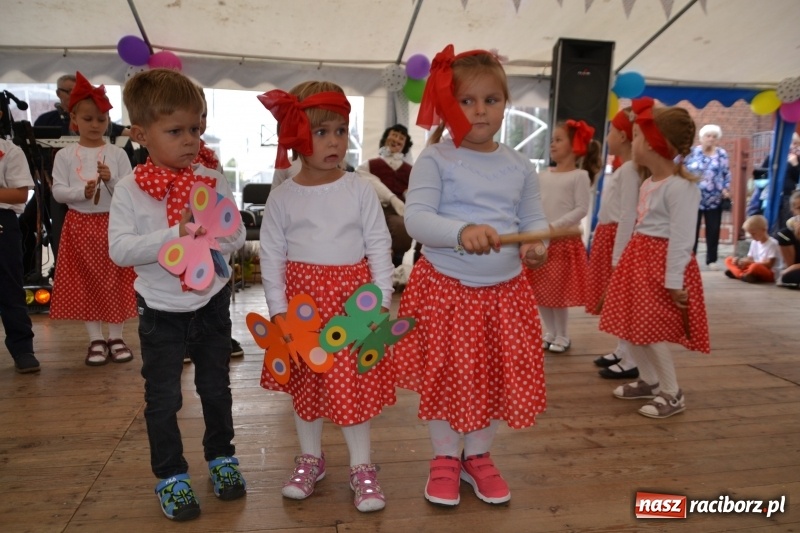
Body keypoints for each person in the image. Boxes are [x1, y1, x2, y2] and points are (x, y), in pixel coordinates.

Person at [393, 45, 548, 507]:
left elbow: (532, 219)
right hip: (447, 292)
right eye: (468, 101)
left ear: (506, 103)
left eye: (492, 100)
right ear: (447, 105)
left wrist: (538, 247)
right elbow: (416, 219)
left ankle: (477, 456)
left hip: (505, 294)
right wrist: (462, 232)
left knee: (494, 377)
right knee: (445, 377)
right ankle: (444, 457)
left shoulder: (520, 165)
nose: (481, 110)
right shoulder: (436, 159)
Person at [109, 68, 247, 521]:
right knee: (163, 397)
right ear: (140, 133)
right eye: (175, 131)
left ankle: (222, 457)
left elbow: (236, 232)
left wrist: (212, 237)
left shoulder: (209, 176)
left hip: (210, 303)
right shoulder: (130, 189)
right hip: (160, 310)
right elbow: (120, 250)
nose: (190, 140)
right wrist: (176, 233)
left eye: (196, 127)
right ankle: (170, 475)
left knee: (216, 387)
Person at [257, 81, 395, 513]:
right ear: (297, 136)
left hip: (353, 306)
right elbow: (272, 257)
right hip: (302, 311)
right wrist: (278, 312)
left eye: (340, 129)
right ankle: (311, 459)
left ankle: (362, 466)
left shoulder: (359, 189)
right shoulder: (281, 198)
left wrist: (382, 299)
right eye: (321, 132)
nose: (334, 140)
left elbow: (378, 244)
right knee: (308, 385)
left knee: (351, 385)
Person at [599, 97, 710, 419]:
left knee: (652, 330)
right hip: (639, 259)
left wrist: (674, 280)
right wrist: (622, 262)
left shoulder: (680, 188)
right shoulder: (649, 182)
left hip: (661, 267)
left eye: (636, 136)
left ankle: (672, 392)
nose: (632, 142)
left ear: (652, 143)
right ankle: (648, 380)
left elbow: (682, 239)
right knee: (630, 323)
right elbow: (638, 225)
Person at [48, 72, 137, 366]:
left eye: (101, 119)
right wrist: (81, 191)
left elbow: (130, 190)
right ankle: (95, 339)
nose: (95, 125)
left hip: (113, 225)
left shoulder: (118, 152)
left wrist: (112, 181)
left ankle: (116, 336)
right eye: (88, 119)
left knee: (115, 280)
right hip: (79, 226)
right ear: (74, 119)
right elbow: (58, 192)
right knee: (86, 282)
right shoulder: (64, 155)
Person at [527, 119, 599, 353]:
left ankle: (563, 335)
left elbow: (581, 208)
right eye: (552, 141)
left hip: (562, 241)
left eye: (559, 140)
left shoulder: (579, 176)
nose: (552, 145)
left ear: (574, 144)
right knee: (540, 291)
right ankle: (549, 331)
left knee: (557, 292)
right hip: (540, 239)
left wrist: (555, 225)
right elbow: (535, 204)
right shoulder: (542, 175)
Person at [586, 109, 641, 379]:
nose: (607, 136)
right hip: (609, 236)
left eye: (610, 131)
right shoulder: (624, 167)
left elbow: (628, 212)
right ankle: (622, 348)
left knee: (623, 299)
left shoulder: (630, 169)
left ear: (621, 135)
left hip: (618, 240)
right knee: (616, 301)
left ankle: (632, 358)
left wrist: (618, 255)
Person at [0, 121, 40, 373]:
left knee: (9, 288)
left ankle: (23, 348)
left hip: (2, 223)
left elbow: (19, 195)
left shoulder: (10, 151)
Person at [357, 124, 416, 266]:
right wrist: (392, 198)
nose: (397, 139)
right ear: (385, 139)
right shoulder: (369, 165)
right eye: (394, 135)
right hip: (376, 209)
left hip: (400, 213)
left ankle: (397, 264)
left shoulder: (410, 170)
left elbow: (412, 192)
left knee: (402, 228)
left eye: (401, 138)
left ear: (405, 145)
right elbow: (365, 180)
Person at [685, 124, 731, 270]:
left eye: (714, 137)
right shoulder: (692, 152)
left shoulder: (721, 154)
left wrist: (726, 189)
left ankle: (712, 260)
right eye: (708, 136)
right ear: (701, 138)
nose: (711, 139)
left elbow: (726, 173)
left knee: (713, 229)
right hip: (693, 198)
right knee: (692, 229)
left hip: (714, 199)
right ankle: (690, 259)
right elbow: (680, 167)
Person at [723, 215, 781, 283]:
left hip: (769, 272)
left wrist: (750, 263)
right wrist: (740, 261)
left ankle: (738, 273)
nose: (752, 237)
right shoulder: (754, 242)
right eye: (750, 234)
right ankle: (744, 275)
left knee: (755, 267)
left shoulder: (772, 244)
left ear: (764, 230)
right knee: (729, 260)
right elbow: (750, 258)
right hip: (753, 267)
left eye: (754, 234)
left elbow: (769, 264)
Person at [775, 190, 800, 288]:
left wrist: (794, 267)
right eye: (799, 208)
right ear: (793, 210)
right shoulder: (788, 230)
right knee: (788, 276)